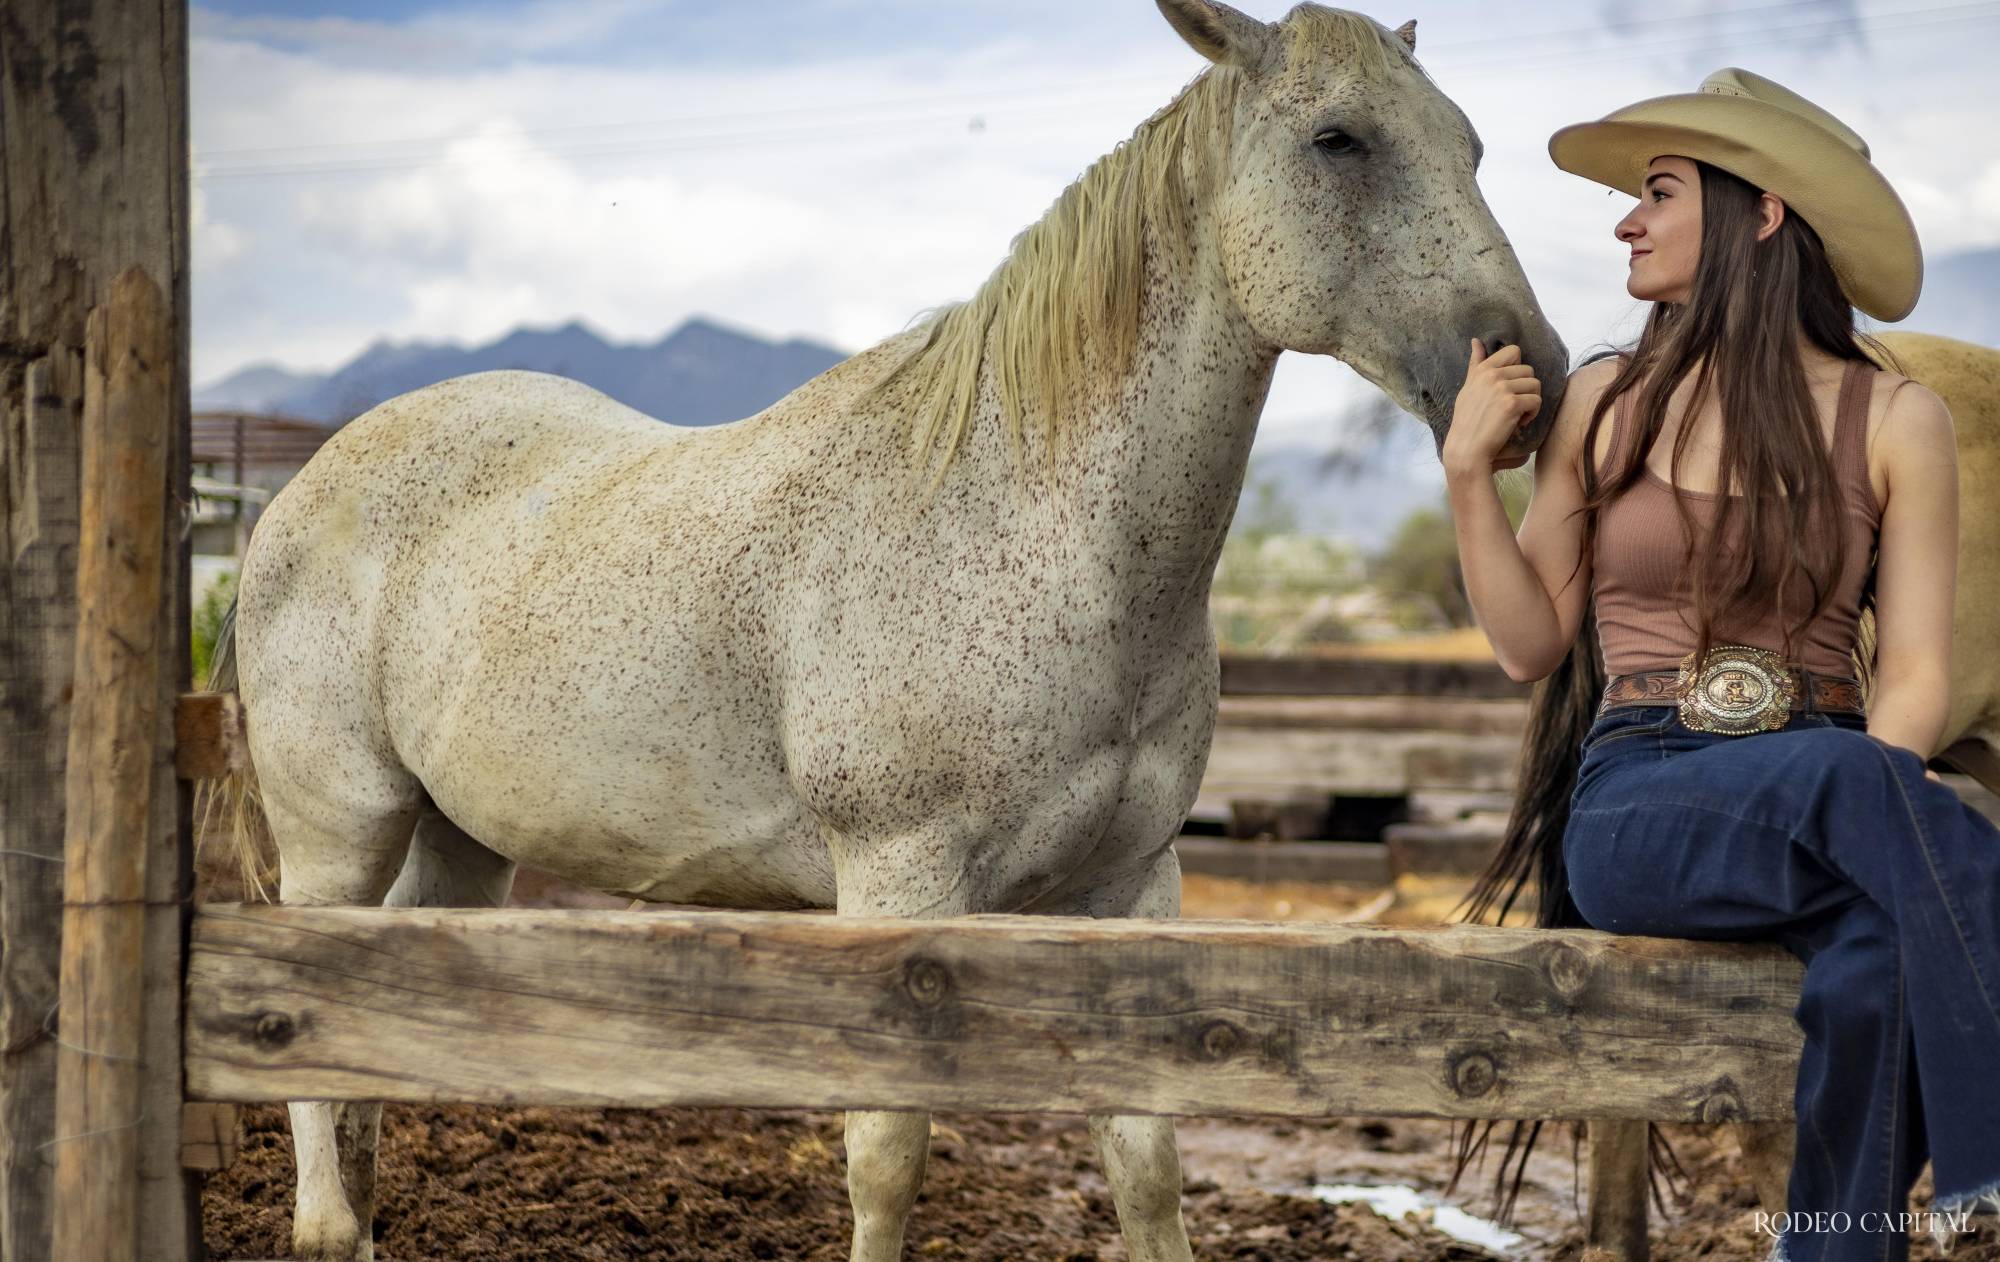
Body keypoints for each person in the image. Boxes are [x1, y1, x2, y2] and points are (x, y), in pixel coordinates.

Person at [1440, 68, 2000, 1262]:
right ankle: (1989, 1154)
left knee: (1872, 963)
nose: (1623, 222)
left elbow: (1907, 677)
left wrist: (1856, 805)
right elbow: (1524, 645)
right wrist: (1464, 478)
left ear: (1760, 214)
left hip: (1831, 789)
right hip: (1638, 802)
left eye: (1656, 191)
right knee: (1911, 813)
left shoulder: (1893, 419)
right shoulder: (1606, 400)